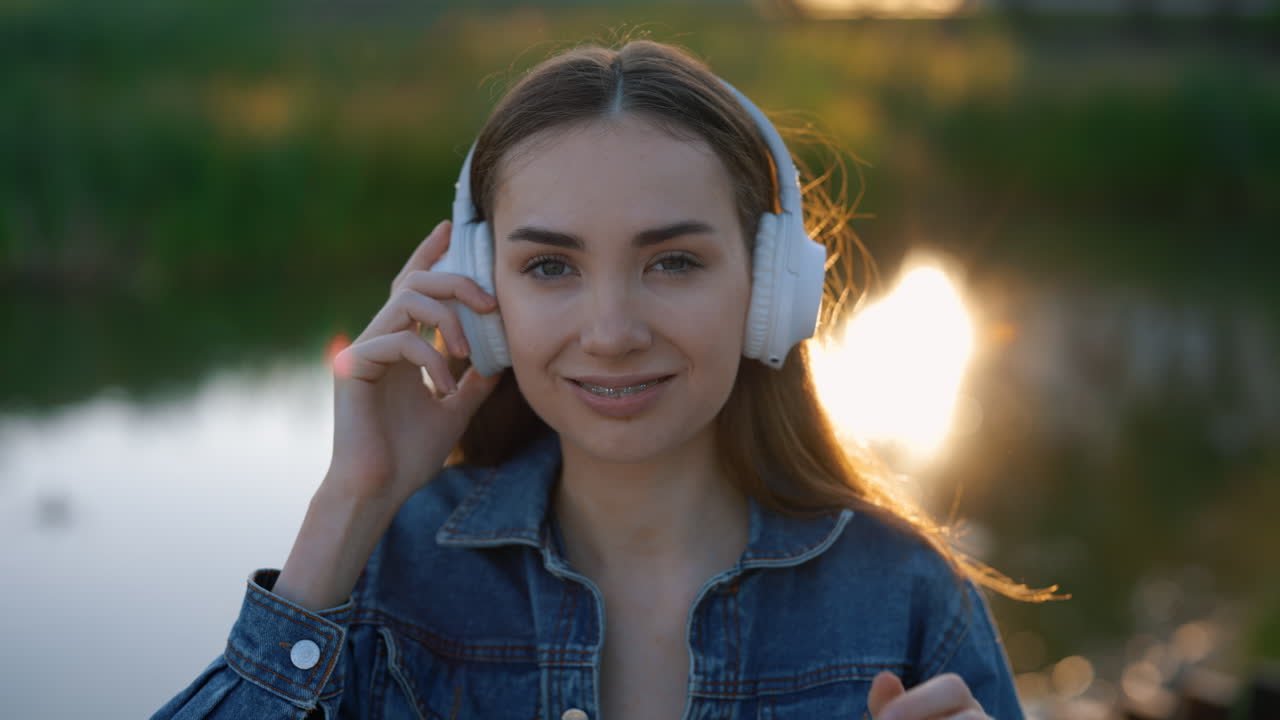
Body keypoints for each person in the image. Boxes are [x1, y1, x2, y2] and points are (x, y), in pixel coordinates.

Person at [152, 39, 1057, 720]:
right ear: (481, 297)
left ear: (770, 290)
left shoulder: (905, 600)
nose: (614, 333)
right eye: (551, 267)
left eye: (672, 263)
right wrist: (351, 504)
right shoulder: (381, 574)